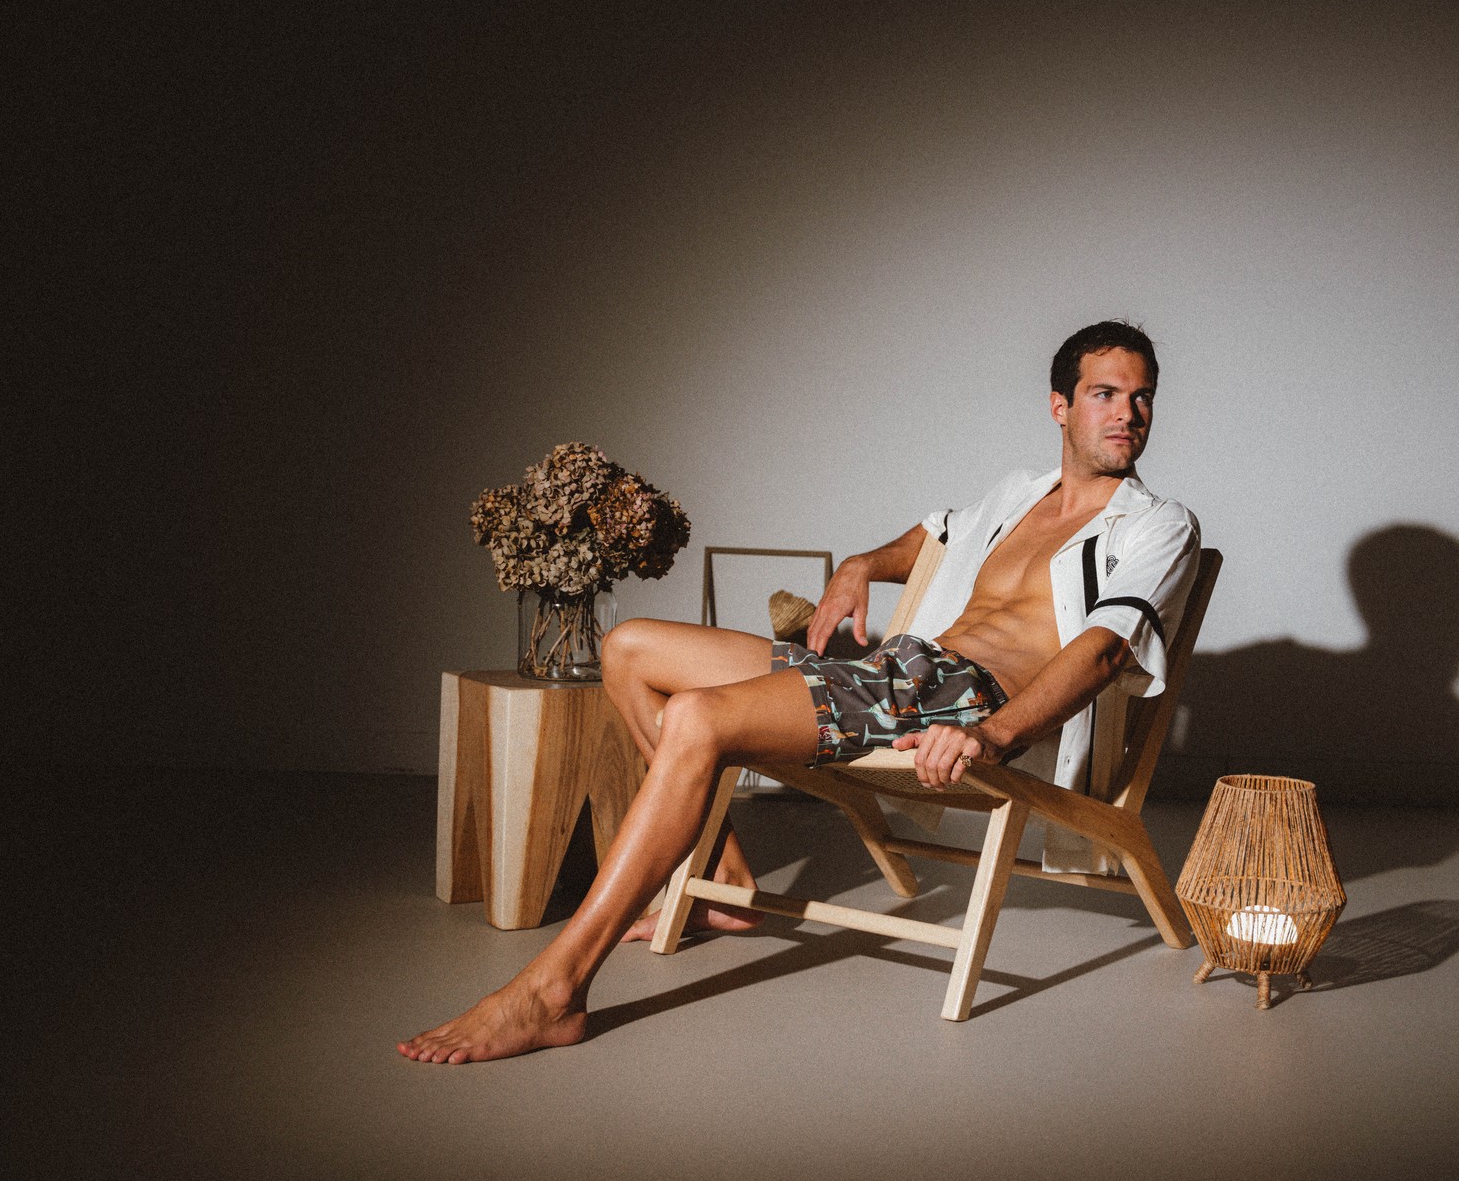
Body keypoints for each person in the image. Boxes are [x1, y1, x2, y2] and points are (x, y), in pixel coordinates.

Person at [399, 321, 1202, 1063]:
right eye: (1105, 393)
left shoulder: (1157, 524)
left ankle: (555, 988)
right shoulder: (1018, 495)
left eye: (1141, 397)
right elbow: (938, 531)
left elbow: (1102, 652)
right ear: (1060, 406)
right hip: (893, 674)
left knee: (696, 717)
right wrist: (859, 564)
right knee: (628, 648)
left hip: (959, 701)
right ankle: (731, 879)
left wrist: (995, 736)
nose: (1127, 413)